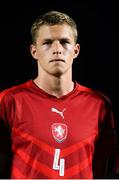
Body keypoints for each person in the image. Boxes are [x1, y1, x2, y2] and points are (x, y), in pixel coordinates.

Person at [0, 10, 118, 179]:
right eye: (47, 42)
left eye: (64, 42)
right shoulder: (9, 101)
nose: (57, 49)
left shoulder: (99, 104)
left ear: (76, 50)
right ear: (34, 52)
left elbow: (104, 173)